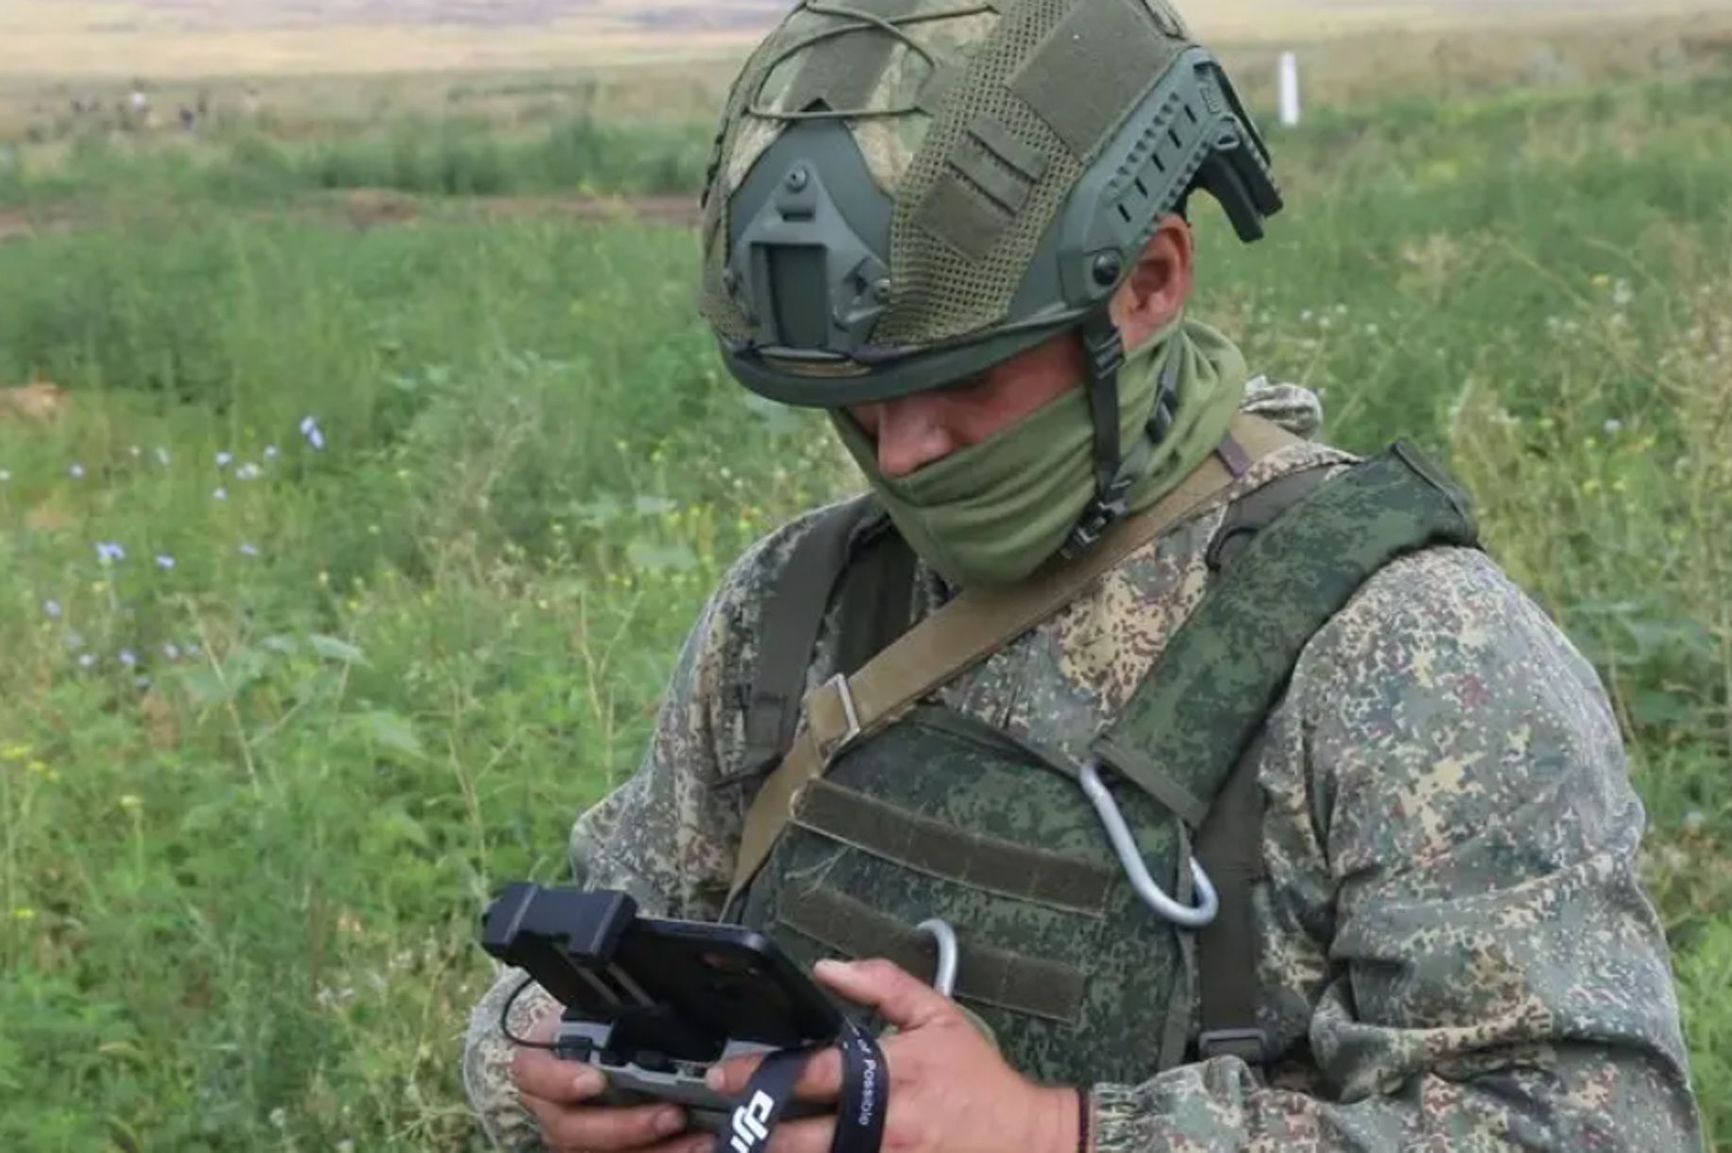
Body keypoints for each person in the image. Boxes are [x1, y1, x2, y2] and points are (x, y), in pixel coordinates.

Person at [462, 1, 1704, 1150]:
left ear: (1147, 285)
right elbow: (587, 950)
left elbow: (1585, 1122)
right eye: (859, 401)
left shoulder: (1408, 652)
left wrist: (1057, 1132)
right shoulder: (795, 603)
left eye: (959, 379)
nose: (903, 453)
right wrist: (547, 1067)